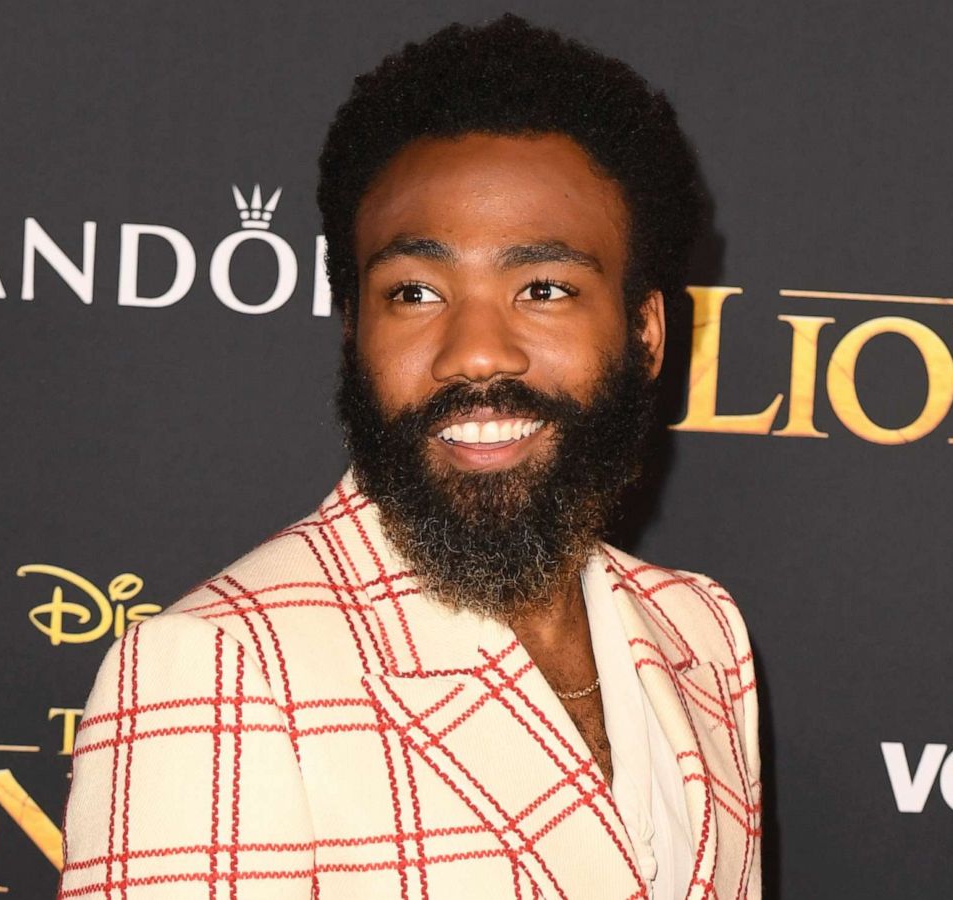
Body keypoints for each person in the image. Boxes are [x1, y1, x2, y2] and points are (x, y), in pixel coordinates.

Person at [59, 14, 761, 899]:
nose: (474, 352)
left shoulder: (701, 631)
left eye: (543, 289)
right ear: (354, 330)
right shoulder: (219, 669)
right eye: (416, 292)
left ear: (647, 332)